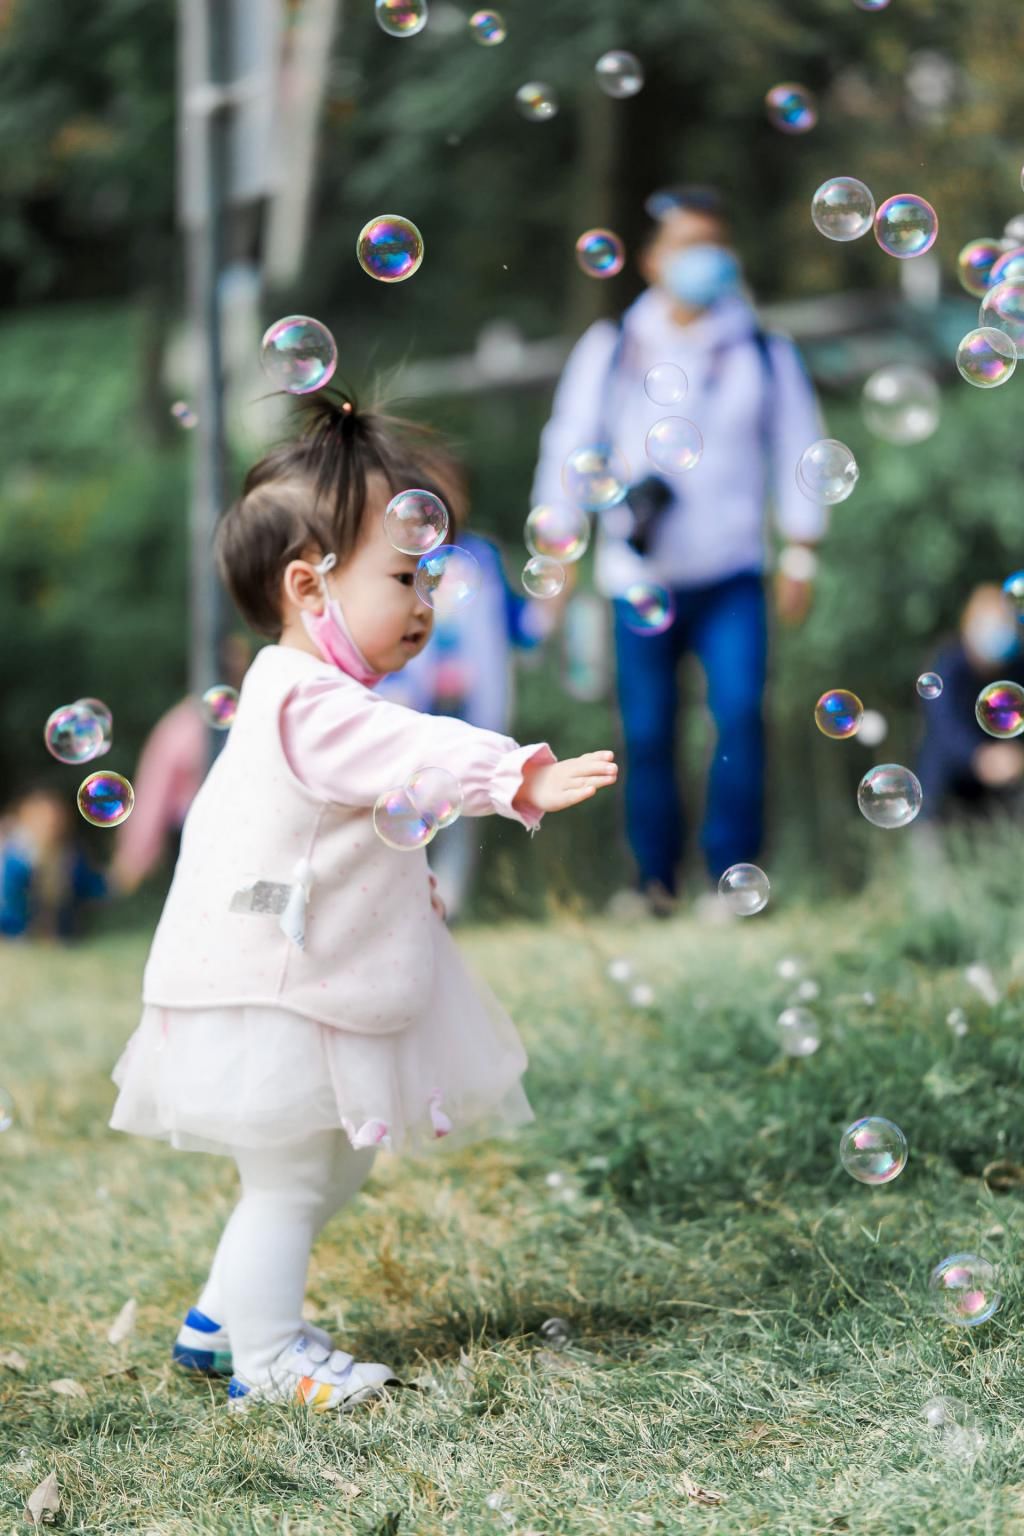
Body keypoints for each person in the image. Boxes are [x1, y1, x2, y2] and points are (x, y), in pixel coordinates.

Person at [106, 393, 617, 1414]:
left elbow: (361, 821)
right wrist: (512, 772)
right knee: (295, 1181)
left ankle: (219, 1323)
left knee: (323, 1175)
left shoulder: (299, 690)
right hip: (277, 993)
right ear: (308, 586)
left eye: (428, 575)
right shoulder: (312, 698)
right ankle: (269, 1357)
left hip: (299, 979)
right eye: (401, 575)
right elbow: (415, 749)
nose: (425, 599)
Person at [531, 184, 826, 917]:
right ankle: (653, 883)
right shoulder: (613, 349)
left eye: (715, 243)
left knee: (737, 716)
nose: (707, 258)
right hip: (639, 576)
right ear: (654, 259)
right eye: (689, 244)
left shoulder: (762, 348)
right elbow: (570, 447)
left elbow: (801, 447)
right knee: (649, 732)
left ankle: (733, 878)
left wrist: (802, 548)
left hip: (733, 573)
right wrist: (559, 548)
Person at [375, 514, 573, 922]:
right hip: (412, 704)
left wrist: (550, 606)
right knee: (409, 802)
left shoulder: (481, 556)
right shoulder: (397, 557)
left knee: (461, 804)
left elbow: (516, 624)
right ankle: (404, 902)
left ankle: (446, 906)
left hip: (473, 708)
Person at [109, 634, 252, 897]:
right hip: (194, 833)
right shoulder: (183, 726)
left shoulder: (250, 715)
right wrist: (136, 854)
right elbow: (156, 792)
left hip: (240, 829)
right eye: (232, 656)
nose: (239, 663)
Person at [917, 583, 1024, 820]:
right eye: (992, 623)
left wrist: (1016, 754)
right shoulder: (949, 667)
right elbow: (944, 725)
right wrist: (980, 757)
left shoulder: (1017, 668)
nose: (1000, 631)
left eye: (1005, 623)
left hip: (997, 798)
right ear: (970, 625)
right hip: (944, 789)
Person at [0, 784, 107, 941]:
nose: (51, 825)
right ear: (25, 818)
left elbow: (87, 884)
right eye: (43, 819)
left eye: (56, 820)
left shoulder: (70, 855)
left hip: (61, 930)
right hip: (15, 928)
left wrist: (113, 883)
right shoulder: (16, 856)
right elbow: (12, 899)